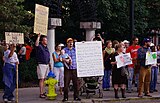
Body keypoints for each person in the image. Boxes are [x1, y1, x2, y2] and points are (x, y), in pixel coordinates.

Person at [35, 34, 51, 98]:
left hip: (46, 64)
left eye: (46, 40)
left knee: (44, 79)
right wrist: (38, 36)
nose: (46, 41)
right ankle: (41, 93)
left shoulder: (46, 48)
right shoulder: (40, 47)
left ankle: (43, 92)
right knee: (41, 79)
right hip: (41, 64)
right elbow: (36, 44)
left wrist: (49, 63)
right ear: (42, 41)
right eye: (45, 40)